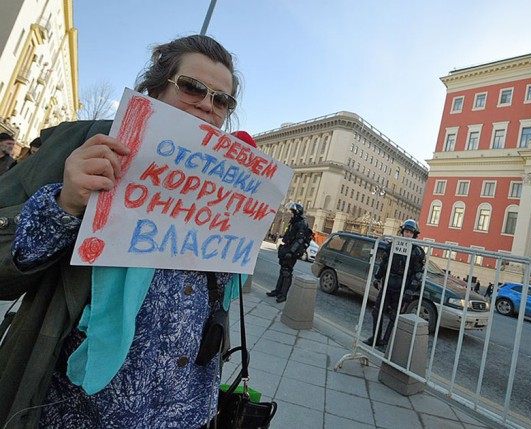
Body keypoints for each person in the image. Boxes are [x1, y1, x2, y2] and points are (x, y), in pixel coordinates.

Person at [0, 35, 245, 428]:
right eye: (192, 87)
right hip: (78, 409)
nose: (207, 104)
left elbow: (215, 297)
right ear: (156, 88)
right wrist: (66, 203)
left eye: (222, 100)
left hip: (183, 410)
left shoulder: (227, 186)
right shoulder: (89, 148)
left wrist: (242, 231)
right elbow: (5, 270)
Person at [364, 219, 425, 348]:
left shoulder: (417, 251)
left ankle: (386, 342)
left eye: (410, 232)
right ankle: (375, 338)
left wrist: (410, 290)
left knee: (394, 316)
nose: (408, 234)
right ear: (402, 232)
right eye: (406, 232)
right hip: (387, 284)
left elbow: (418, 273)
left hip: (402, 287)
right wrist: (377, 277)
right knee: (377, 311)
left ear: (414, 234)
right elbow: (384, 263)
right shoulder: (393, 245)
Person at [267, 202, 310, 303]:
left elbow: (299, 240)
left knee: (287, 272)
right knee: (282, 270)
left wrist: (291, 252)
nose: (291, 214)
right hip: (288, 247)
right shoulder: (294, 222)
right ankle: (277, 291)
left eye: (292, 212)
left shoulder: (301, 223)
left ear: (297, 213)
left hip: (292, 251)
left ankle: (283, 295)